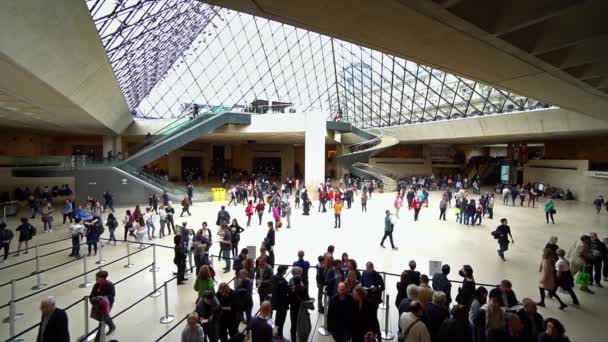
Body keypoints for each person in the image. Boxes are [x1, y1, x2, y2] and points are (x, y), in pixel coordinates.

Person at [89, 271, 116, 336]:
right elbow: (91, 296)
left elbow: (112, 296)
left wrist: (103, 298)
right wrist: (94, 300)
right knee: (105, 317)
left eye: (98, 278)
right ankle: (112, 326)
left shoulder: (110, 285)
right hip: (98, 305)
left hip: (107, 305)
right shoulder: (96, 285)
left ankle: (99, 337)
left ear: (103, 279)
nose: (96, 280)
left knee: (102, 321)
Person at [289, 275, 313, 342]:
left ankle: (293, 339)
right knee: (302, 324)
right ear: (300, 281)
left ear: (293, 282)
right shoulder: (303, 289)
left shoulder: (292, 289)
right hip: (302, 309)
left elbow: (289, 300)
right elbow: (307, 299)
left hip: (293, 309)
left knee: (293, 325)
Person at [271, 265, 290, 340]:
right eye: (285, 270)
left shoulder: (275, 277)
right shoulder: (281, 280)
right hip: (282, 303)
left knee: (277, 320)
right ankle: (280, 336)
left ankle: (276, 334)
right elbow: (286, 290)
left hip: (276, 302)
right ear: (283, 271)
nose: (286, 271)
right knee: (281, 321)